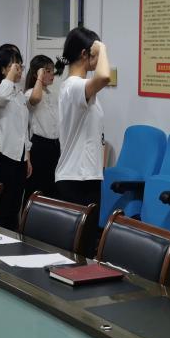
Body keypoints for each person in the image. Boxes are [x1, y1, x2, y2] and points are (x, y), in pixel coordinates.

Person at [55, 27, 110, 226]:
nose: (100, 59)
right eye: (95, 55)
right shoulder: (73, 86)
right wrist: (102, 47)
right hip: (76, 178)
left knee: (87, 240)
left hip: (87, 176)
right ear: (84, 54)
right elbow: (104, 77)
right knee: (79, 241)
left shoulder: (79, 86)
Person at [0, 47, 30, 229]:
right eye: (14, 66)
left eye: (20, 66)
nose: (19, 70)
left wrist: (27, 157)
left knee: (15, 205)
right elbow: (1, 97)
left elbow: (24, 129)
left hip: (20, 157)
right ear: (3, 69)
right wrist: (10, 77)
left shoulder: (19, 95)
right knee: (1, 206)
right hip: (3, 155)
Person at [24, 54, 59, 202]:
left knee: (52, 188)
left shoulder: (53, 94)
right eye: (47, 71)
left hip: (55, 145)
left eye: (52, 70)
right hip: (39, 145)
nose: (52, 74)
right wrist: (39, 77)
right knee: (37, 188)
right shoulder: (29, 93)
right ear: (36, 73)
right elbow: (35, 99)